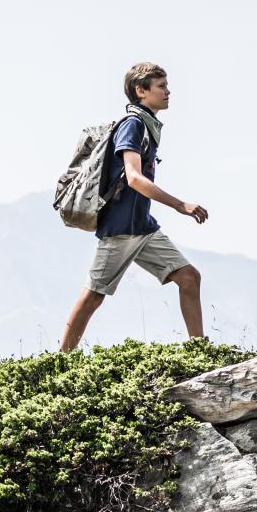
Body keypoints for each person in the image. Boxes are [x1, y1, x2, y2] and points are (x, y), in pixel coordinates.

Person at [58, 62, 208, 351]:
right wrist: (180, 205)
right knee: (94, 295)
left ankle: (199, 351)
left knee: (189, 277)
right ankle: (61, 359)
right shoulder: (134, 124)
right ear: (141, 91)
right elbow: (134, 178)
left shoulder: (147, 125)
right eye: (161, 86)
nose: (168, 91)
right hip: (121, 229)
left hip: (143, 226)